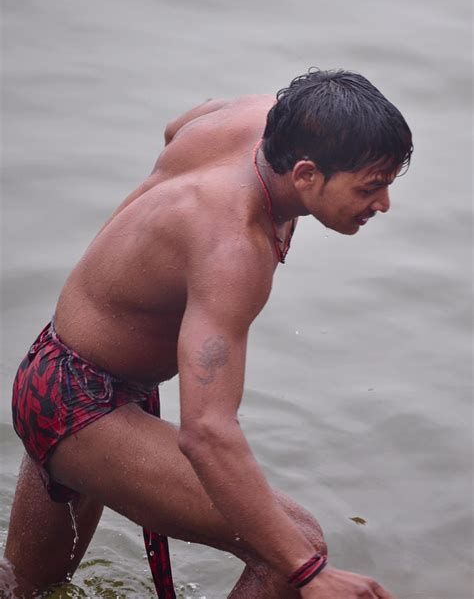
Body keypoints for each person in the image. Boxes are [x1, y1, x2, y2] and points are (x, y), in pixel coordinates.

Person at [2, 69, 413, 599]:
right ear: (307, 174)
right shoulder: (233, 248)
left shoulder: (260, 120)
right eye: (370, 187)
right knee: (295, 549)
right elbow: (207, 433)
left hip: (53, 368)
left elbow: (178, 128)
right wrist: (311, 577)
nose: (382, 204)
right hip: (83, 409)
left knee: (26, 589)